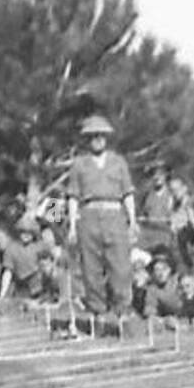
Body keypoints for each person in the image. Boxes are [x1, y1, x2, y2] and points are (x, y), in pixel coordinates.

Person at [65, 114, 138, 316]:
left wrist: (132, 221)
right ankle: (97, 310)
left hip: (114, 214)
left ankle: (123, 309)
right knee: (91, 266)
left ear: (107, 138)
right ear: (87, 140)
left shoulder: (118, 162)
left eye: (101, 135)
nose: (97, 139)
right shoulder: (79, 164)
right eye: (92, 136)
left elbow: (128, 193)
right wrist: (72, 226)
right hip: (88, 216)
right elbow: (72, 196)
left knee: (120, 264)